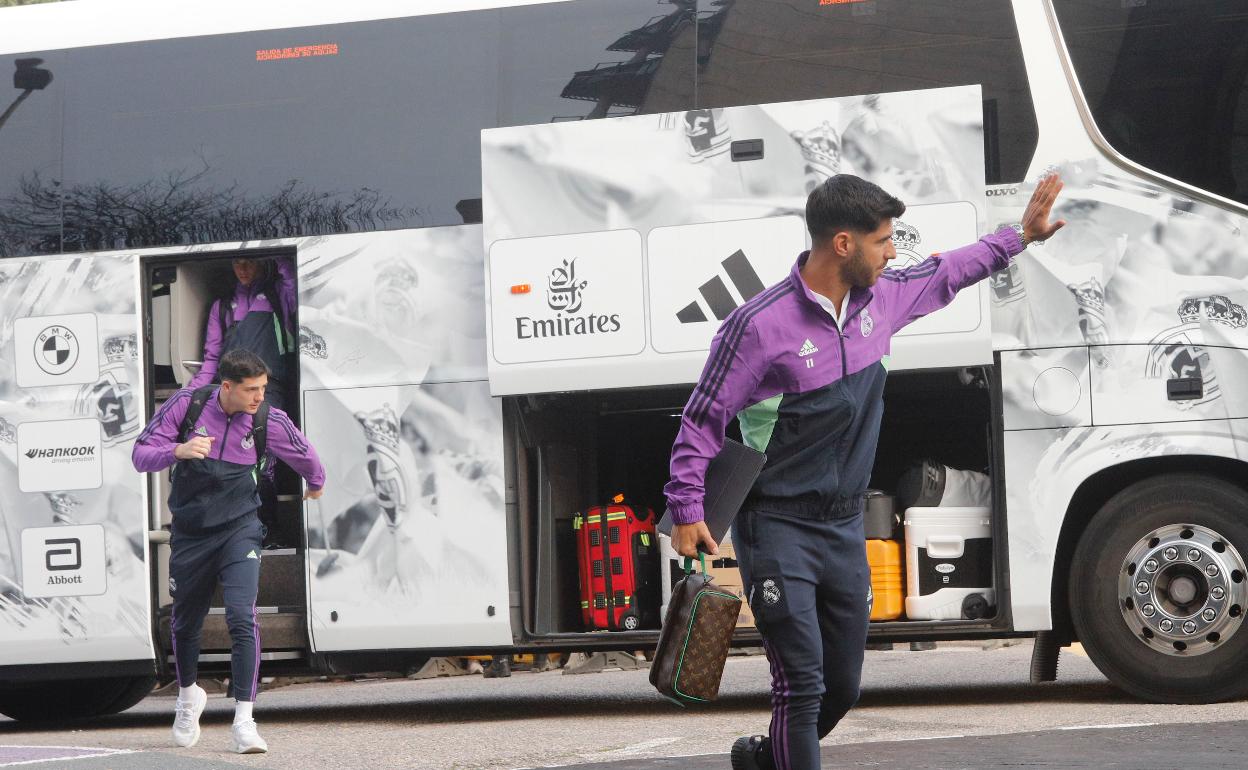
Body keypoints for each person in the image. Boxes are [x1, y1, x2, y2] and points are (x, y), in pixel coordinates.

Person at [664, 174, 1066, 770]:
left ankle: (763, 758)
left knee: (841, 690)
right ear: (844, 244)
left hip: (844, 527)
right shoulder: (757, 326)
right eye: (883, 241)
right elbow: (704, 416)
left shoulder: (882, 300)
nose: (893, 252)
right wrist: (687, 507)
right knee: (801, 689)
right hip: (775, 527)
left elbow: (948, 270)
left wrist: (1020, 238)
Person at [132, 349, 325, 754]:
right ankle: (188, 698)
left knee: (242, 616)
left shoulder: (266, 419)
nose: (259, 397)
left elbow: (305, 454)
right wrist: (178, 450)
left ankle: (245, 720)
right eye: (251, 390)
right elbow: (140, 455)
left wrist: (316, 480)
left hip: (240, 529)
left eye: (263, 389)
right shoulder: (187, 405)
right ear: (226, 386)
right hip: (191, 532)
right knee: (185, 624)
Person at [188, 257, 296, 412]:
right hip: (231, 391)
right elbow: (211, 359)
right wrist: (189, 394)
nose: (242, 269)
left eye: (250, 262)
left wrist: (276, 252)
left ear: (262, 262)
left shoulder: (279, 295)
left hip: (268, 390)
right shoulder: (221, 307)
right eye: (236, 263)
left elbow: (297, 290)